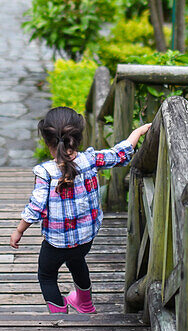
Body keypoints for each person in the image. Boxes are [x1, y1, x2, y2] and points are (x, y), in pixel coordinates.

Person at [9, 106, 151, 314]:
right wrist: (137, 132)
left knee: (46, 275)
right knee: (77, 261)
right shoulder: (90, 160)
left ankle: (60, 313)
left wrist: (19, 230)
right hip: (85, 238)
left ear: (47, 141)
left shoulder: (45, 173)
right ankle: (85, 304)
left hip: (56, 243)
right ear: (77, 137)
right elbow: (119, 154)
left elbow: (36, 207)